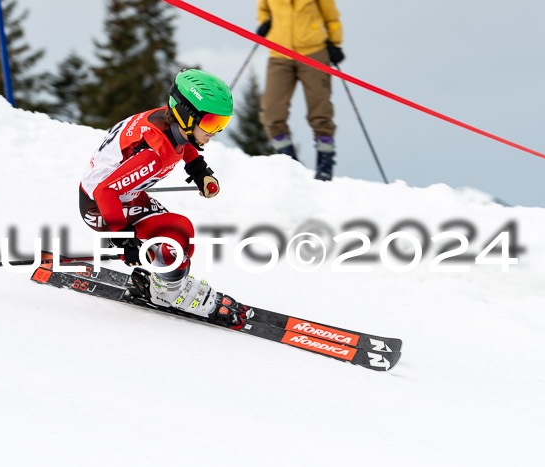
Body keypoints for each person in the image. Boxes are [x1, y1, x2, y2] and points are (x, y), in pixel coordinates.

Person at [78, 69, 247, 329]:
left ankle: (168, 281)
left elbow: (184, 142)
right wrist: (124, 240)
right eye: (212, 123)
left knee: (180, 235)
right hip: (101, 207)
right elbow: (104, 192)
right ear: (188, 115)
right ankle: (168, 292)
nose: (216, 131)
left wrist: (199, 171)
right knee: (174, 237)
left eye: (222, 124)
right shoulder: (154, 153)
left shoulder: (171, 123)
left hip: (125, 195)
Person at [256, 0, 345, 181]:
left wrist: (335, 43)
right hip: (279, 53)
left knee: (320, 112)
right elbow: (264, 9)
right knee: (271, 113)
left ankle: (325, 165)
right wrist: (265, 23)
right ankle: (290, 164)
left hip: (313, 52)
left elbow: (331, 16)